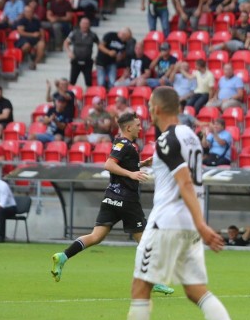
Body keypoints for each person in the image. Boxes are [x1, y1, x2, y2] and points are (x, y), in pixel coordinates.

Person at [94, 87, 250, 320]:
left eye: (150, 106)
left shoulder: (166, 139)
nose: (148, 111)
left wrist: (203, 224)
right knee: (195, 290)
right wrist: (198, 223)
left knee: (140, 286)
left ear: (157, 108)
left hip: (167, 222)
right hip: (187, 224)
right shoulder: (190, 135)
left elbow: (185, 182)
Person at [50, 113, 174, 294]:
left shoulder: (124, 144)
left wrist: (140, 164)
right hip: (127, 200)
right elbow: (109, 164)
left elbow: (121, 164)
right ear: (129, 128)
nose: (141, 128)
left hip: (111, 198)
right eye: (138, 125)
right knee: (146, 242)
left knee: (96, 236)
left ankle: (63, 256)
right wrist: (132, 174)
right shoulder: (124, 144)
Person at [65, 17, 99, 86]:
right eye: (83, 23)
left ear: (89, 25)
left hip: (87, 61)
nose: (85, 25)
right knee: (72, 81)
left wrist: (97, 56)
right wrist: (69, 52)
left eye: (87, 24)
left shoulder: (93, 35)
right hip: (76, 60)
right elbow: (66, 42)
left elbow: (100, 45)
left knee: (88, 81)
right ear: (80, 24)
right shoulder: (74, 33)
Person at [15, 5, 45, 70]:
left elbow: (41, 30)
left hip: (36, 39)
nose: (29, 13)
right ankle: (22, 59)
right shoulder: (21, 21)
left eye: (31, 11)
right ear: (24, 12)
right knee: (26, 46)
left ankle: (35, 63)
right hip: (24, 38)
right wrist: (32, 34)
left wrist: (42, 38)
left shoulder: (36, 20)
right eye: (27, 11)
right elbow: (21, 32)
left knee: (42, 44)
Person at [0, 179, 17, 243]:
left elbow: (2, 204)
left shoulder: (3, 186)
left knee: (1, 211)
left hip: (11, 208)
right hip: (0, 209)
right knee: (0, 211)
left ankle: (1, 237)